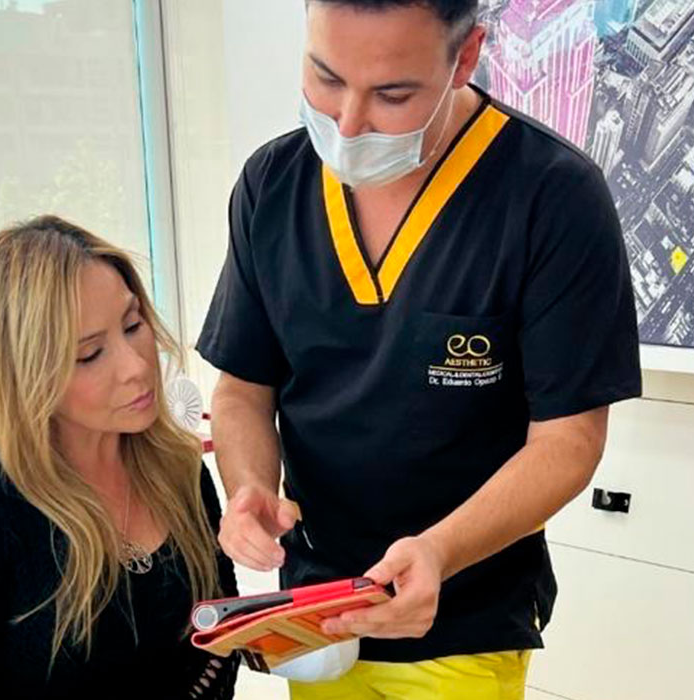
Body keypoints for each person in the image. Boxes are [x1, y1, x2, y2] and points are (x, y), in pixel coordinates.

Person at [198, 1, 642, 697]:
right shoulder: (272, 184)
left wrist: (439, 550)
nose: (348, 123)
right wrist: (250, 486)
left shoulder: (552, 196)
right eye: (326, 77)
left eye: (392, 94)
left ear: (466, 57)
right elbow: (243, 388)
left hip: (468, 617)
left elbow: (568, 441)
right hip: (319, 613)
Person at [0, 215, 238, 698]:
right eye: (90, 354)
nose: (136, 366)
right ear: (27, 371)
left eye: (133, 324)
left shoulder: (178, 468)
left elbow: (218, 645)